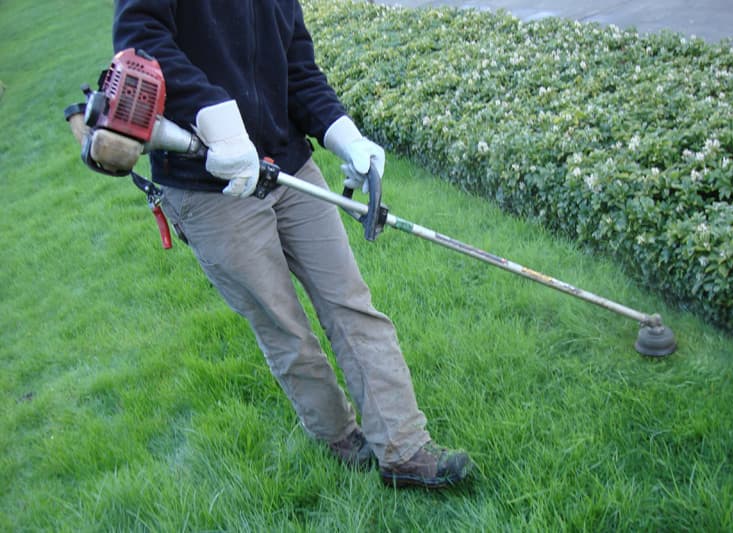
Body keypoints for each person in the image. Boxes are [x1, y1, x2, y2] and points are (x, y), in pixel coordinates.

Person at [112, 1, 473, 489]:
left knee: (350, 303)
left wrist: (346, 138)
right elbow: (142, 39)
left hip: (289, 164)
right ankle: (339, 437)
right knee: (284, 326)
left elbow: (298, 70)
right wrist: (216, 120)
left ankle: (403, 449)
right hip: (207, 182)